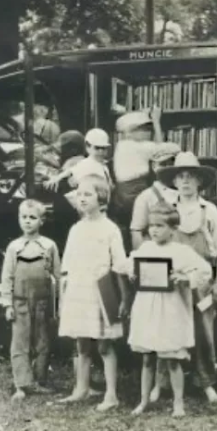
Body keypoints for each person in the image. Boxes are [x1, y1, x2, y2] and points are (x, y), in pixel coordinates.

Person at [121, 203, 213, 418]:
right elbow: (127, 264)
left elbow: (205, 271)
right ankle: (143, 400)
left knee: (172, 358)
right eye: (151, 226)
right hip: (147, 306)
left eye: (160, 226)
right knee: (147, 357)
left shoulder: (181, 251)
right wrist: (133, 273)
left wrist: (185, 277)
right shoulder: (145, 249)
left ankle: (178, 403)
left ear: (173, 228)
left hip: (171, 308)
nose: (154, 230)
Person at [154, 151, 217, 404]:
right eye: (181, 177)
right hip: (172, 279)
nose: (185, 181)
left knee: (203, 332)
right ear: (174, 182)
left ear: (199, 182)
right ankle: (161, 383)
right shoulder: (166, 210)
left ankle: (206, 383)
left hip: (201, 279)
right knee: (166, 329)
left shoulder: (209, 210)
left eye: (191, 177)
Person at [57, 175, 130, 411]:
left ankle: (111, 394)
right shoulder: (76, 229)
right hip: (79, 289)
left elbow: (119, 264)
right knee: (82, 344)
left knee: (105, 345)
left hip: (101, 290)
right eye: (79, 194)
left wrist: (123, 297)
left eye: (87, 194)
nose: (82, 198)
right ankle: (82, 388)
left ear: (102, 198)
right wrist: (64, 293)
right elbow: (66, 266)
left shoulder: (110, 229)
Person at [1, 200, 62, 400]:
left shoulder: (49, 245)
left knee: (43, 341)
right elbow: (7, 277)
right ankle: (21, 384)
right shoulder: (14, 247)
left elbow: (59, 277)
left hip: (43, 303)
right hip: (20, 302)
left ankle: (40, 380)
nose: (27, 221)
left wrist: (59, 305)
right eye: (24, 217)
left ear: (41, 221)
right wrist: (8, 304)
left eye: (32, 218)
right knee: (20, 342)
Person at [112, 108, 165, 224]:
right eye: (143, 129)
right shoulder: (139, 147)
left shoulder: (122, 145)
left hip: (121, 195)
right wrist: (156, 121)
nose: (148, 133)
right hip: (135, 192)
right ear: (130, 132)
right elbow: (162, 149)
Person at [129, 142, 182, 250]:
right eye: (163, 164)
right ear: (154, 166)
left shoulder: (186, 193)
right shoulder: (146, 197)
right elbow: (136, 232)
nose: (168, 169)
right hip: (158, 255)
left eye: (171, 164)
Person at [44, 128, 112, 206]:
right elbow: (72, 170)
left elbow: (72, 169)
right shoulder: (86, 164)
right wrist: (57, 178)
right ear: (87, 146)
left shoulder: (103, 166)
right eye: (97, 148)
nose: (101, 152)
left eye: (104, 148)